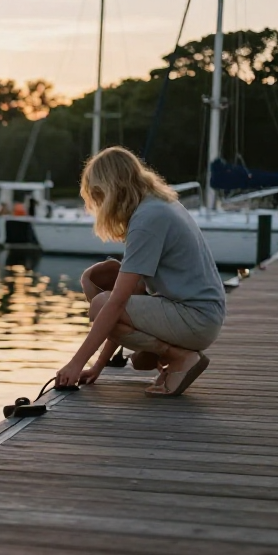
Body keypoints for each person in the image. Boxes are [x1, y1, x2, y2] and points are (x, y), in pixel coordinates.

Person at [55, 147, 226, 396]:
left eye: (97, 196)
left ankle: (180, 358)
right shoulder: (157, 205)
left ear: (111, 190)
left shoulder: (148, 219)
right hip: (202, 315)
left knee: (100, 304)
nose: (99, 205)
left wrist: (76, 363)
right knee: (126, 340)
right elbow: (133, 295)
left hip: (197, 320)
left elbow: (116, 304)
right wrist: (97, 367)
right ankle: (163, 354)